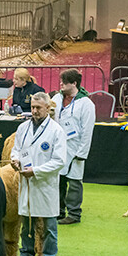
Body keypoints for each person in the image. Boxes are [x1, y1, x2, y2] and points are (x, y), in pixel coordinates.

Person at [9, 92, 66, 256]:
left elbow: (59, 161)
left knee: (49, 226)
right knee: (27, 223)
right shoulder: (23, 128)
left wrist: (36, 171)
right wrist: (15, 161)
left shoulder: (56, 131)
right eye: (32, 107)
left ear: (48, 108)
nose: (34, 111)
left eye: (38, 108)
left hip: (44, 184)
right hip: (26, 183)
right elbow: (16, 150)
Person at [50, 69, 95, 225]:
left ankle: (74, 213)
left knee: (74, 181)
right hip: (58, 146)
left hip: (75, 147)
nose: (60, 84)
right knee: (59, 179)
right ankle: (58, 211)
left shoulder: (86, 103)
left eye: (64, 81)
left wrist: (82, 152)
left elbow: (87, 130)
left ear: (74, 83)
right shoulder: (56, 98)